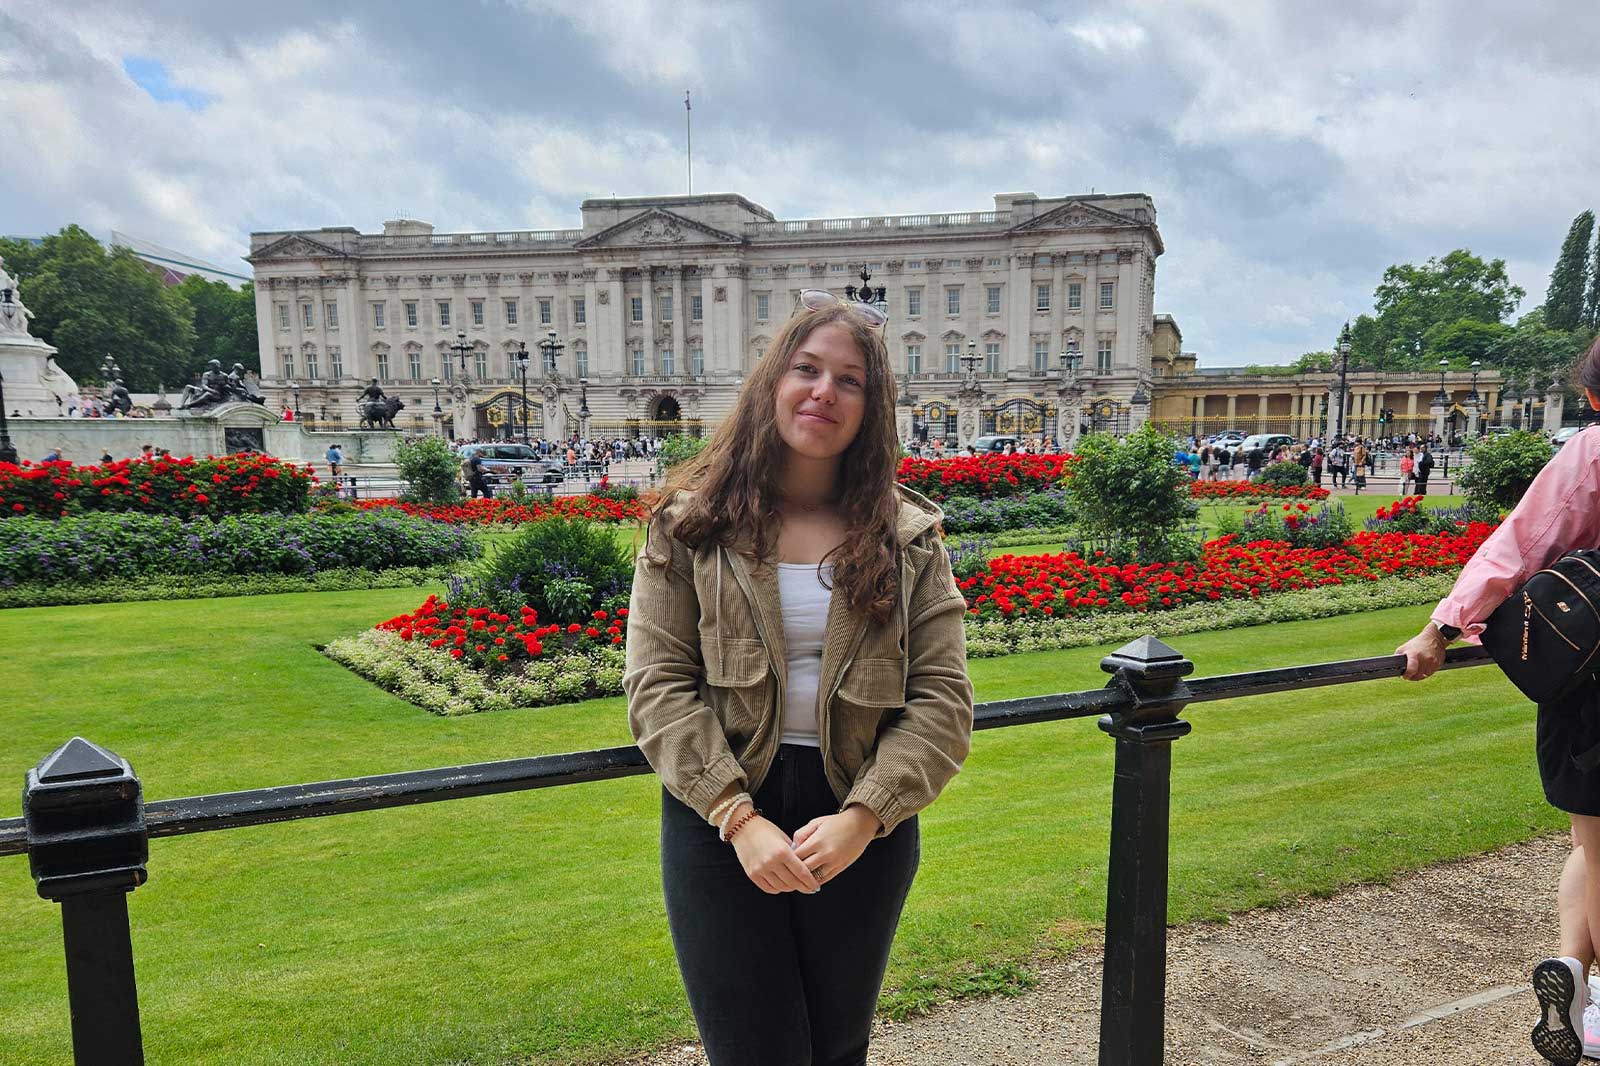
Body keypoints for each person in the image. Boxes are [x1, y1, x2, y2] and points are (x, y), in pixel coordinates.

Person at [624, 293, 974, 1065]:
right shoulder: (692, 525)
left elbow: (943, 702)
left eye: (850, 380)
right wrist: (736, 816)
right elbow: (658, 687)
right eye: (807, 369)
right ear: (772, 381)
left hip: (858, 816)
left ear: (871, 407)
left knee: (838, 1050)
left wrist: (866, 816)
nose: (824, 392)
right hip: (722, 820)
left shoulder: (909, 537)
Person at [1397, 337, 1600, 1065]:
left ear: (1592, 396)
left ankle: (1584, 987)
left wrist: (1439, 629)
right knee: (1590, 843)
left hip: (1592, 683)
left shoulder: (1593, 450)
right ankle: (1575, 979)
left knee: (1595, 841)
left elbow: (1520, 544)